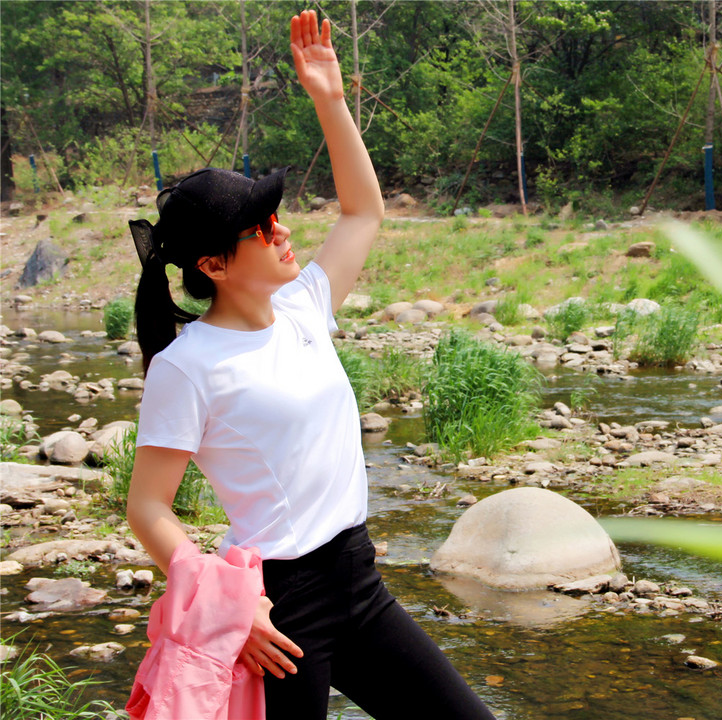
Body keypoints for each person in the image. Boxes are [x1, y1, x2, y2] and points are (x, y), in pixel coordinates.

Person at [126, 11, 496, 720]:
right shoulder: (189, 366)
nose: (282, 229)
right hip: (280, 609)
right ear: (213, 265)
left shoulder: (302, 306)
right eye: (261, 228)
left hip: (358, 580)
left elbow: (362, 212)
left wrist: (329, 95)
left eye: (276, 215)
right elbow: (147, 508)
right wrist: (228, 607)